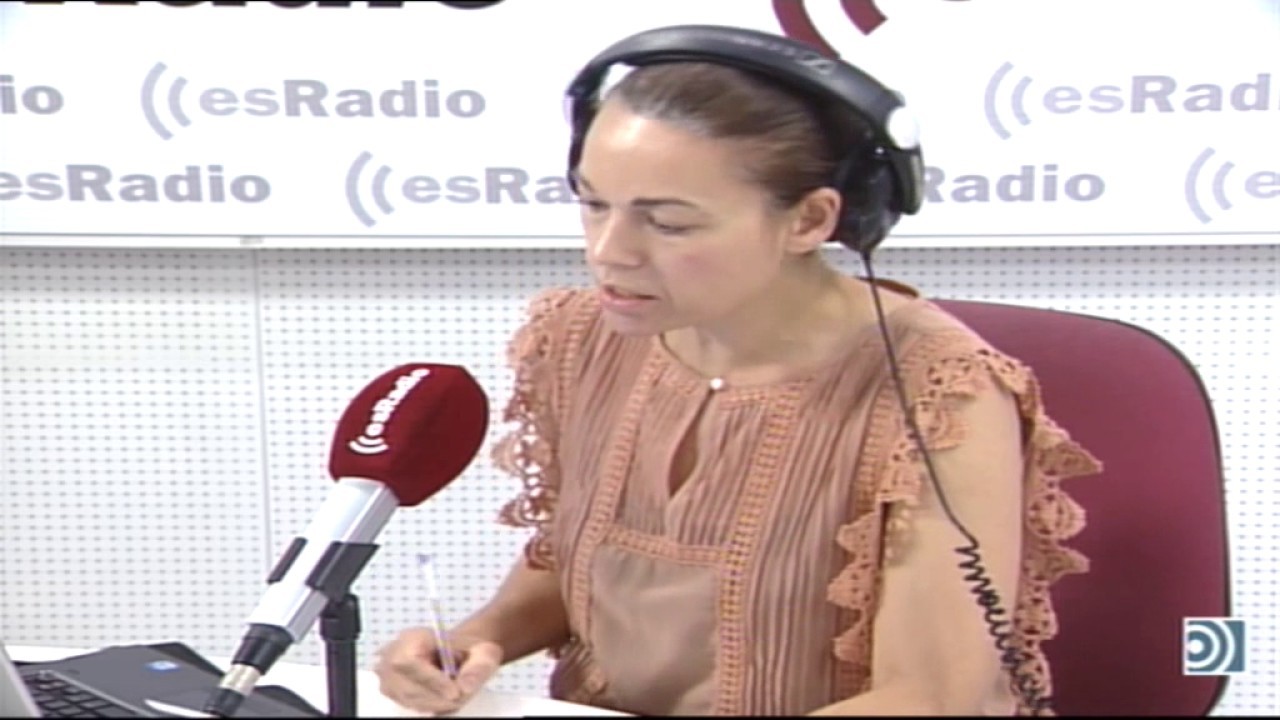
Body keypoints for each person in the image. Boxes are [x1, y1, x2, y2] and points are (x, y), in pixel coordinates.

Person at [374, 25, 1100, 717]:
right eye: (593, 204)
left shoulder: (942, 394)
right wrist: (476, 640)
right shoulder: (580, 339)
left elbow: (930, 699)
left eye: (669, 222)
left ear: (810, 221)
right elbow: (583, 565)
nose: (609, 251)